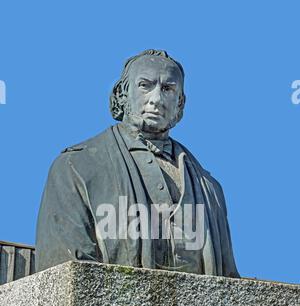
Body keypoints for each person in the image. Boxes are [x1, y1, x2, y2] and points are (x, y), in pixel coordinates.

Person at [36, 49, 239, 277]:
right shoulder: (76, 167)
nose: (157, 99)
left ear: (180, 103)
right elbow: (63, 275)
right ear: (122, 93)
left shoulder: (210, 190)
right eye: (145, 85)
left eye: (168, 89)